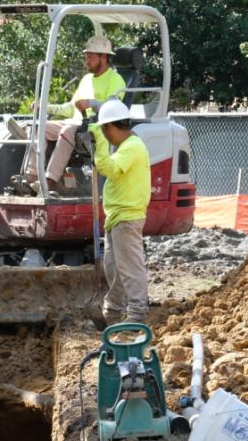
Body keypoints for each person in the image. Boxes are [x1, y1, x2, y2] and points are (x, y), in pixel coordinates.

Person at [12, 34, 125, 194]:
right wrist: (46, 107)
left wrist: (92, 103)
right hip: (76, 123)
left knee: (67, 131)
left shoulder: (115, 79)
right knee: (38, 127)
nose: (86, 60)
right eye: (85, 56)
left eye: (90, 56)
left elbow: (114, 107)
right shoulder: (86, 79)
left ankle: (49, 182)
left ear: (104, 57)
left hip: (97, 127)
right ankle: (31, 179)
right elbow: (70, 108)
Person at [89, 99, 151, 325]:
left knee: (130, 268)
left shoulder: (132, 146)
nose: (106, 137)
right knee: (114, 269)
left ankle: (137, 314)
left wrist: (99, 142)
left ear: (109, 127)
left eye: (104, 132)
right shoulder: (126, 147)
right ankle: (113, 311)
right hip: (116, 217)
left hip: (127, 217)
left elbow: (110, 169)